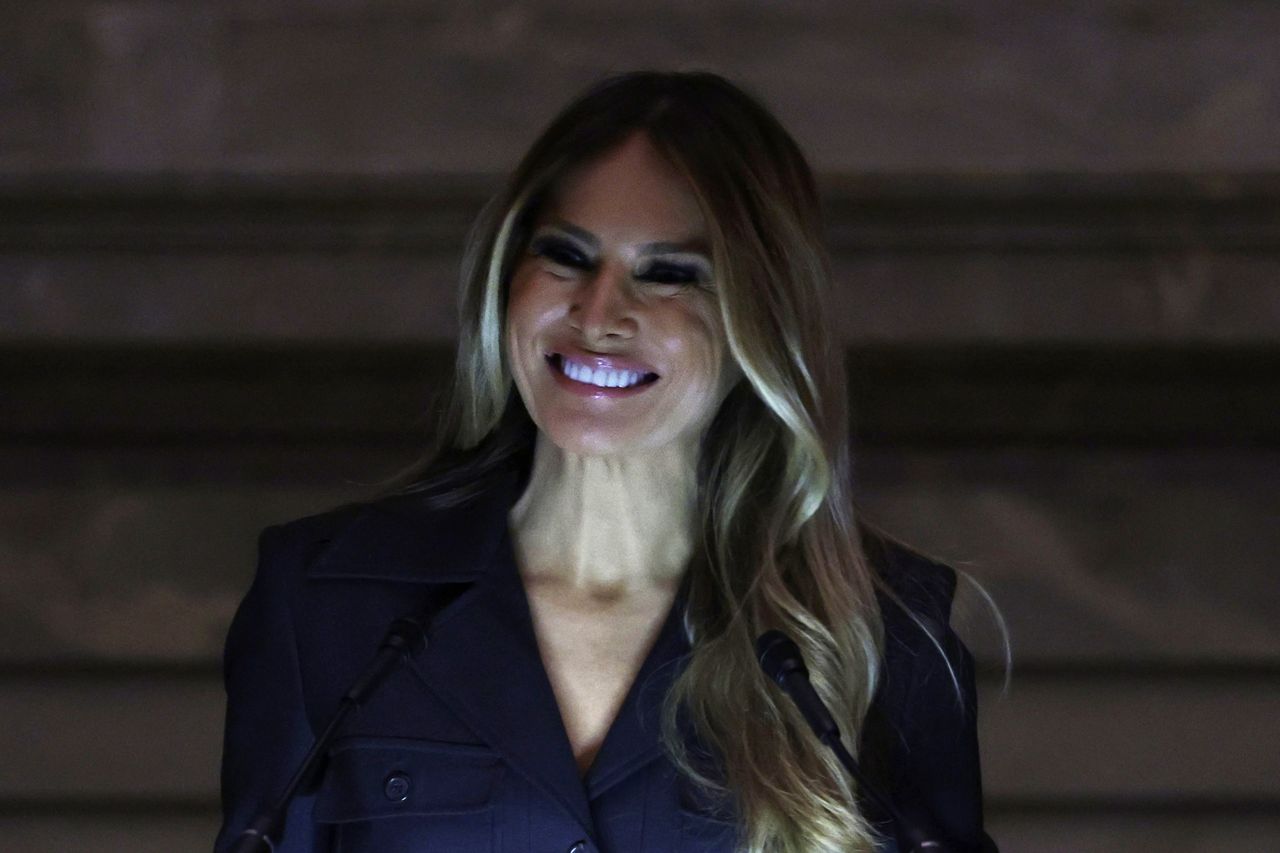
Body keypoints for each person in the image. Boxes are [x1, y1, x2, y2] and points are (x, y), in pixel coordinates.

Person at [216, 71, 997, 853]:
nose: (597, 316)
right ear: (506, 273)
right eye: (567, 255)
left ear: (761, 317)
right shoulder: (319, 601)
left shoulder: (886, 637)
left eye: (668, 272)